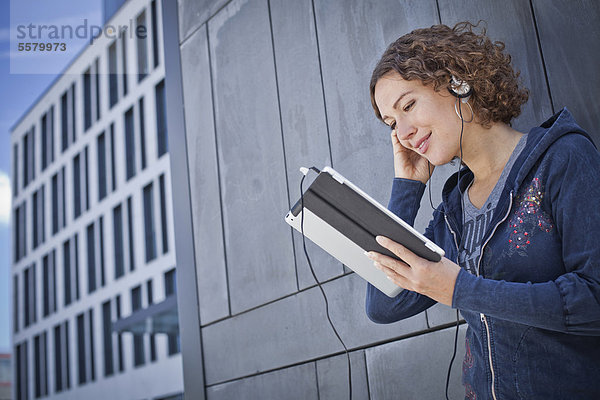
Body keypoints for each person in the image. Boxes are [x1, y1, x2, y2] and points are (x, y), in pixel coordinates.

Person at [364, 22, 600, 399]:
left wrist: (460, 289)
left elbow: (594, 298)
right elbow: (386, 302)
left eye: (408, 105)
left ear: (457, 82)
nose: (403, 132)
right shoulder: (455, 210)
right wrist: (407, 188)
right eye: (393, 124)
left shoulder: (562, 159)